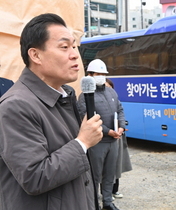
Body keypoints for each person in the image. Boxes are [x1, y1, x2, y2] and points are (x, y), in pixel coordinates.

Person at [0, 13, 103, 210]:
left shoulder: (65, 96)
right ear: (36, 55)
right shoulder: (16, 106)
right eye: (64, 47)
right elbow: (34, 177)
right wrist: (82, 143)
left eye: (74, 46)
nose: (74, 54)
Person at [77, 59, 125, 210]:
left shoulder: (111, 92)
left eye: (103, 74)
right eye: (98, 74)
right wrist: (107, 131)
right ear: (89, 75)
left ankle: (108, 202)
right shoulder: (85, 96)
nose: (101, 77)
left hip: (113, 141)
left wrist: (121, 127)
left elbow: (120, 110)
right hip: (97, 142)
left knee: (110, 173)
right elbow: (87, 118)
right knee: (95, 175)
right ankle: (94, 204)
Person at [104, 78, 133, 200]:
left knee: (116, 164)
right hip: (105, 137)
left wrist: (121, 127)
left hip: (117, 137)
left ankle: (114, 190)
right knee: (105, 166)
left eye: (109, 88)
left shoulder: (115, 101)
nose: (107, 90)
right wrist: (107, 131)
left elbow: (121, 113)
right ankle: (105, 192)